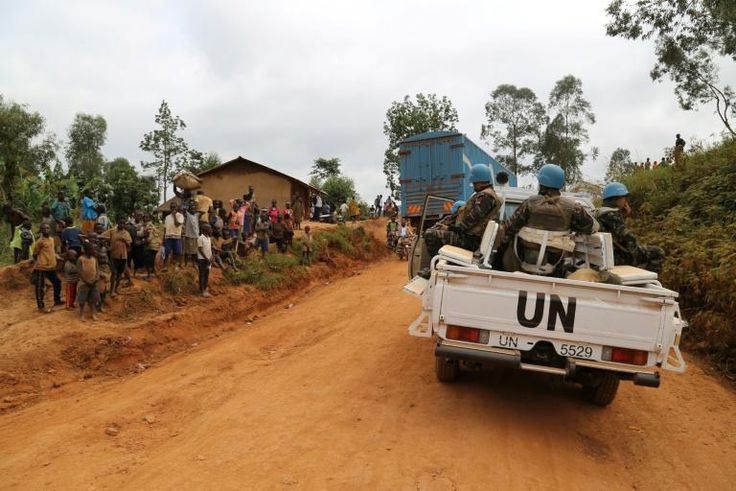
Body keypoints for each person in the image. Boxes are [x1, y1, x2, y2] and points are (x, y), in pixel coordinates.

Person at [499, 163, 597, 277]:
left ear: (541, 183)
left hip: (523, 261)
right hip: (555, 264)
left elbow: (510, 228)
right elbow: (592, 227)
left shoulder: (530, 203)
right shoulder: (573, 207)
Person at [418, 165, 502, 279]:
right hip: (468, 237)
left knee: (430, 235)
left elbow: (471, 220)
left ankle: (436, 268)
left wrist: (449, 229)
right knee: (435, 231)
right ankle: (443, 265)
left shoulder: (486, 197)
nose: (473, 186)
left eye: (474, 183)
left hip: (470, 241)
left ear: (479, 181)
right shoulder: (485, 195)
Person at [597, 182, 665, 273]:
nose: (625, 201)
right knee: (658, 252)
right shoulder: (611, 214)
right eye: (624, 198)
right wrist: (637, 246)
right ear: (617, 198)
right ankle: (647, 281)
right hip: (616, 258)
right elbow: (628, 237)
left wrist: (622, 215)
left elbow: (614, 228)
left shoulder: (600, 212)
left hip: (604, 256)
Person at [32, 223, 62, 313]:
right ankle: (41, 306)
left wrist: (56, 256)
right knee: (39, 287)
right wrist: (41, 262)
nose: (46, 230)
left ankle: (57, 300)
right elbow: (34, 254)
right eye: (44, 228)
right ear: (41, 230)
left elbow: (51, 251)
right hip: (42, 268)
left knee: (57, 282)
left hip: (51, 267)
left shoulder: (52, 239)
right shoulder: (40, 241)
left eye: (47, 228)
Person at [101, 218, 132, 297]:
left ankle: (116, 289)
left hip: (123, 256)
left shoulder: (126, 233)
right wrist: (107, 246)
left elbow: (129, 244)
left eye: (123, 223)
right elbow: (101, 236)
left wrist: (124, 240)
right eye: (120, 223)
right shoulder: (112, 231)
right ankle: (111, 290)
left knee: (119, 274)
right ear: (118, 223)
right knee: (114, 273)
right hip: (114, 255)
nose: (122, 225)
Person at [77, 242, 100, 321]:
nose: (94, 251)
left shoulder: (94, 259)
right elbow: (80, 272)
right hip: (84, 283)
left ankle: (93, 314)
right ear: (87, 250)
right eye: (92, 250)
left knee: (93, 299)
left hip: (93, 282)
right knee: (82, 300)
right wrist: (86, 281)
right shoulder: (81, 259)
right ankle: (81, 314)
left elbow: (97, 270)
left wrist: (96, 278)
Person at [163, 203, 184, 270]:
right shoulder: (167, 217)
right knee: (167, 252)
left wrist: (174, 215)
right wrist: (163, 238)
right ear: (170, 208)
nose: (173, 208)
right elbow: (165, 228)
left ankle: (176, 265)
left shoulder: (180, 216)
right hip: (168, 237)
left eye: (174, 207)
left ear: (177, 208)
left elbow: (177, 224)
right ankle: (165, 266)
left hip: (177, 237)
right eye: (172, 207)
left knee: (178, 252)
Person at [196, 223, 213, 297]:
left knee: (206, 274)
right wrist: (206, 258)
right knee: (202, 275)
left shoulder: (209, 238)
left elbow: (209, 249)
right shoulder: (200, 238)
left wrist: (211, 257)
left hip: (208, 260)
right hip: (202, 260)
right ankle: (202, 290)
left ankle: (205, 289)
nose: (211, 230)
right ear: (205, 230)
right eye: (209, 229)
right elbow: (200, 250)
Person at [143, 214, 160, 279]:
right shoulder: (152, 225)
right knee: (152, 261)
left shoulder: (149, 226)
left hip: (151, 246)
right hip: (155, 245)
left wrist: (144, 242)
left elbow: (149, 238)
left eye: (146, 218)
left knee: (149, 261)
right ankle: (155, 274)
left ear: (149, 219)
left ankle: (149, 276)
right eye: (144, 218)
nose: (145, 219)